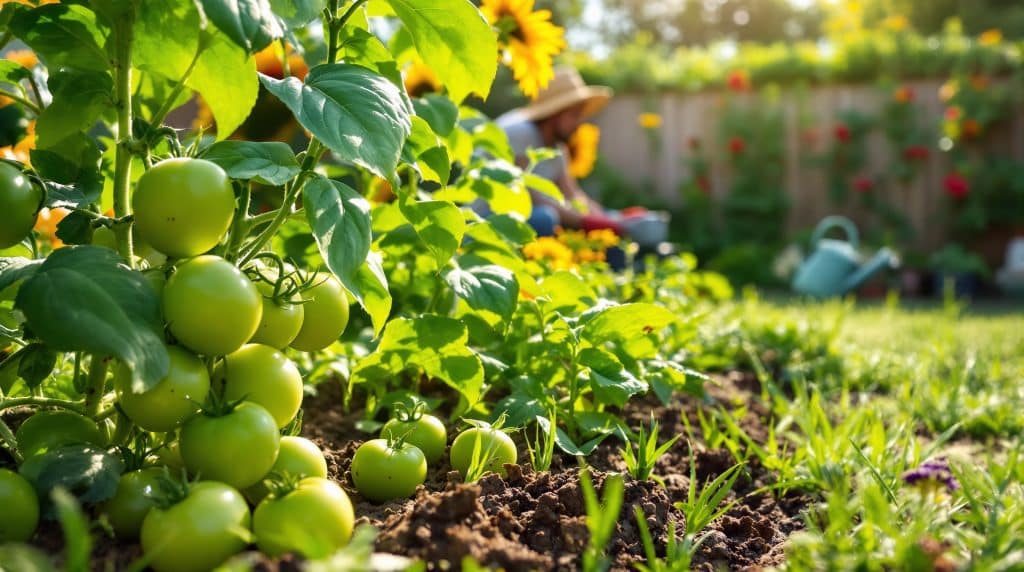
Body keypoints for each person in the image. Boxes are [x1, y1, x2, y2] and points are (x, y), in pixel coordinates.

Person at [495, 66, 623, 237]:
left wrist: (612, 220)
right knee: (545, 218)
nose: (579, 122)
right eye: (575, 114)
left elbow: (573, 194)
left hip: (523, 219)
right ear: (556, 113)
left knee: (609, 216)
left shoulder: (557, 147)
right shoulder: (520, 132)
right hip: (488, 222)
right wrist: (591, 223)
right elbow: (531, 198)